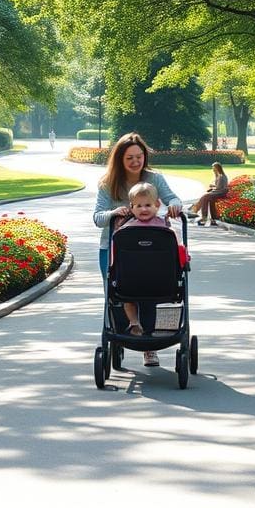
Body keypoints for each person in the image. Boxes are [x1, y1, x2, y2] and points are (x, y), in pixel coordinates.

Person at [93, 132, 182, 367]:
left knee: (149, 292)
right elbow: (98, 217)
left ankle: (148, 348)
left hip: (152, 249)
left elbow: (173, 198)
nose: (135, 162)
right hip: (114, 248)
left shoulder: (154, 179)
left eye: (139, 156)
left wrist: (174, 206)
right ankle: (122, 336)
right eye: (129, 158)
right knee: (117, 293)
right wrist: (115, 213)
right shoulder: (108, 183)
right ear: (120, 159)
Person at [116, 182, 185, 344]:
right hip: (152, 282)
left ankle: (147, 326)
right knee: (129, 298)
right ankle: (134, 323)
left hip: (145, 281)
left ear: (157, 205)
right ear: (131, 208)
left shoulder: (165, 227)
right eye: (139, 206)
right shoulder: (126, 229)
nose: (144, 209)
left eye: (148, 205)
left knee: (128, 296)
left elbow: (177, 249)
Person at [190, 162, 228, 226]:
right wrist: (212, 186)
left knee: (205, 196)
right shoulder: (218, 175)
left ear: (217, 168)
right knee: (206, 198)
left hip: (221, 192)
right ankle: (207, 217)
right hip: (218, 191)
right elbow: (218, 186)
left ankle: (197, 211)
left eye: (213, 168)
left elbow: (219, 188)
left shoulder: (221, 176)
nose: (212, 169)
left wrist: (212, 187)